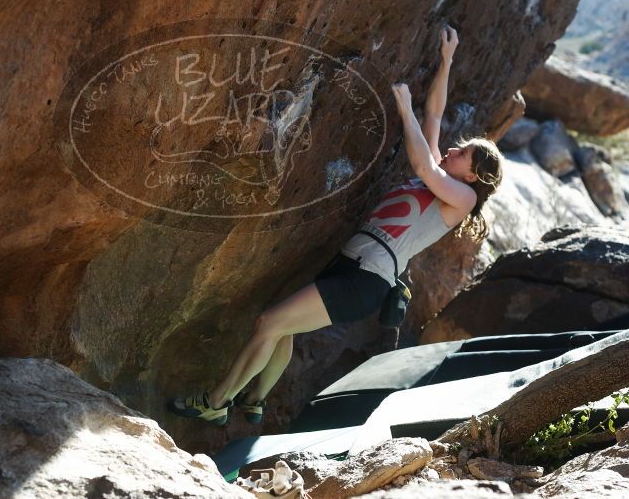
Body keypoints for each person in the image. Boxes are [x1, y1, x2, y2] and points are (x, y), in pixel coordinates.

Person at [168, 26, 504, 426]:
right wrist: (447, 59)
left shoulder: (461, 200)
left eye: (463, 153)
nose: (453, 148)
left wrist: (403, 107)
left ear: (473, 176)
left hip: (365, 280)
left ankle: (216, 402)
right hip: (349, 265)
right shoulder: (442, 179)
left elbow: (422, 162)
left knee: (269, 323)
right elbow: (435, 114)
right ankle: (254, 400)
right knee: (284, 328)